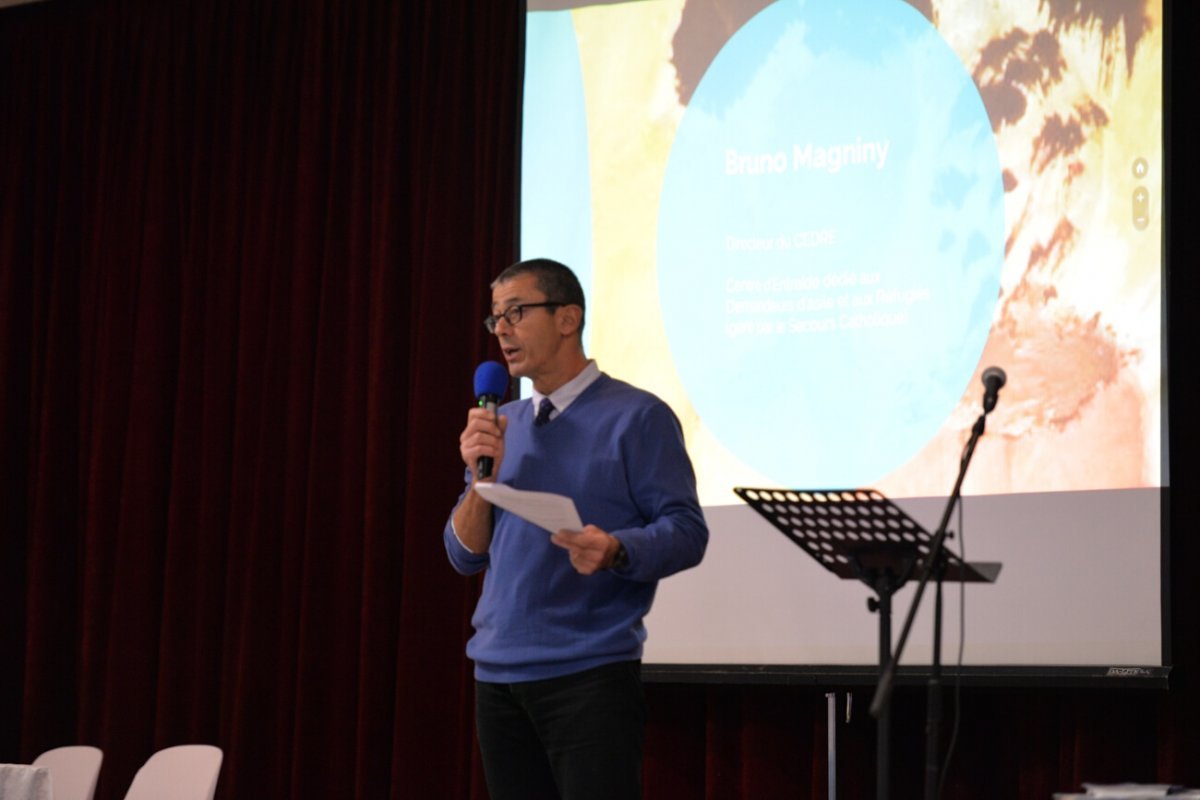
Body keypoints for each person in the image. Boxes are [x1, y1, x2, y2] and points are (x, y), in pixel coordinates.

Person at [444, 258, 709, 800]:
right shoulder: (501, 423)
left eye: (516, 312)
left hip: (588, 676)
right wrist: (478, 478)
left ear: (568, 318)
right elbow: (463, 554)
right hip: (496, 676)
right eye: (495, 319)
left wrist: (616, 549)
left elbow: (687, 531)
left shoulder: (637, 416)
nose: (502, 331)